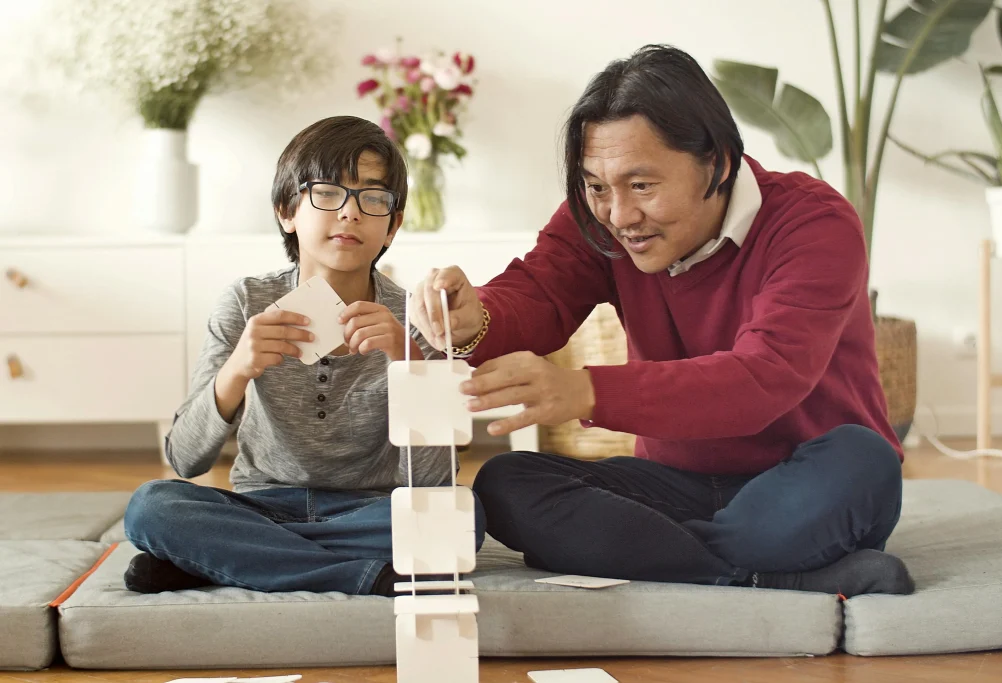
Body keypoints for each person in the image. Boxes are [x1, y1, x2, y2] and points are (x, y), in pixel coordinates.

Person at [411, 45, 913, 597]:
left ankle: (670, 555)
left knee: (864, 461)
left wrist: (586, 391)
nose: (620, 215)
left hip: (804, 477)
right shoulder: (600, 217)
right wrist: (474, 314)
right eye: (596, 186)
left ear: (717, 164)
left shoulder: (814, 223)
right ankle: (763, 573)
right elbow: (539, 293)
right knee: (508, 483)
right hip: (676, 484)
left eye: (642, 186)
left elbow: (762, 376)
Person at [122, 115, 485, 596]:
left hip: (370, 511)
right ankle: (361, 574)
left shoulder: (416, 316)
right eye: (328, 192)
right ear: (286, 211)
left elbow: (436, 484)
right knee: (152, 505)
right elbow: (184, 459)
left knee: (462, 519)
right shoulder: (246, 302)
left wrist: (409, 366)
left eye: (373, 198)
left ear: (393, 226)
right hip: (264, 505)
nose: (350, 213)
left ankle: (234, 557)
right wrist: (236, 372)